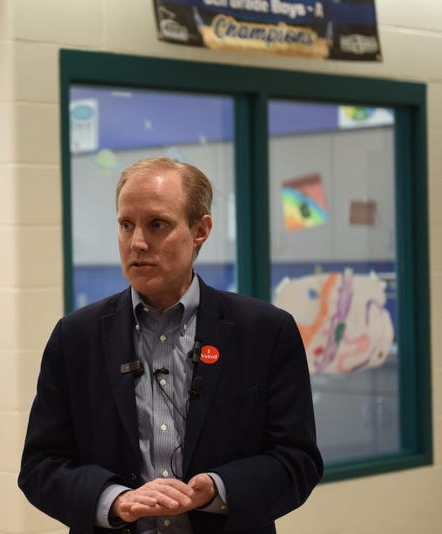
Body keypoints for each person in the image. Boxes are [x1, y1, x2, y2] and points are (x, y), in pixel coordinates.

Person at [18, 157, 322, 534]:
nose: (137, 243)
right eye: (126, 225)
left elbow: (297, 462)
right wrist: (114, 499)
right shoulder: (75, 337)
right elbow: (40, 467)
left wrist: (217, 488)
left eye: (157, 224)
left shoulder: (265, 332)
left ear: (200, 229)